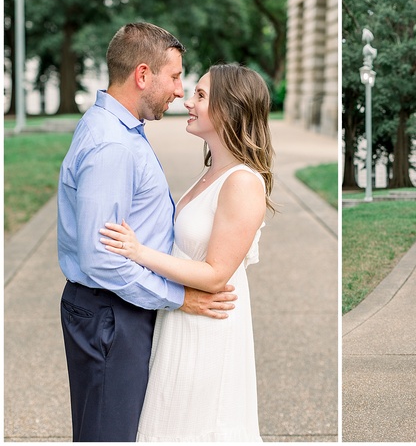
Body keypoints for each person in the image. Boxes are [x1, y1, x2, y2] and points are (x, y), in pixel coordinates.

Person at [57, 22, 238, 442]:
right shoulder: (113, 146)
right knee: (110, 434)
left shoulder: (115, 128)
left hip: (116, 309)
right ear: (142, 75)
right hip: (112, 314)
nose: (179, 90)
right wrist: (180, 298)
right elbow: (102, 259)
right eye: (174, 77)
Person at [99, 62, 274, 441]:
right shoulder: (211, 172)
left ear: (229, 108)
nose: (187, 101)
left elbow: (215, 274)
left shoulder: (242, 182)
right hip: (180, 317)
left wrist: (137, 251)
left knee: (196, 428)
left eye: (200, 95)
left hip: (207, 329)